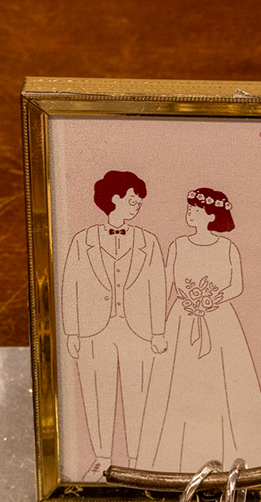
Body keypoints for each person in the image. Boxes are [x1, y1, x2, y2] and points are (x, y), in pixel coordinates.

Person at [138, 187, 261, 473]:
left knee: (221, 384)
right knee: (179, 384)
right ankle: (174, 459)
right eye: (188, 209)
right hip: (181, 321)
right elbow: (167, 285)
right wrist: (157, 328)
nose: (189, 213)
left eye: (195, 210)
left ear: (211, 216)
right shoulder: (178, 245)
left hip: (220, 323)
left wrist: (211, 299)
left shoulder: (227, 247)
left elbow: (236, 286)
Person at [59, 170, 167, 479]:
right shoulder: (83, 241)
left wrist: (157, 331)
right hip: (94, 330)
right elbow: (70, 284)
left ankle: (137, 459)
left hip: (138, 330)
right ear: (115, 198)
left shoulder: (147, 241)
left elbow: (157, 285)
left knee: (139, 395)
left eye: (140, 201)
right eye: (133, 200)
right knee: (96, 393)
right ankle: (102, 459)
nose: (137, 205)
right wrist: (72, 331)